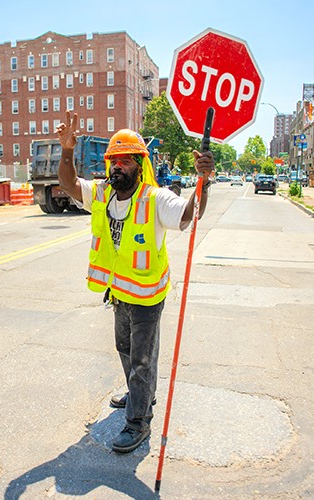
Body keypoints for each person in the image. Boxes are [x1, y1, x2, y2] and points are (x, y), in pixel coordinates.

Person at [55, 111, 214, 453]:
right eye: (114, 160)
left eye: (126, 160)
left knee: (143, 360)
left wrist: (205, 181)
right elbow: (69, 184)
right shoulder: (102, 195)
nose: (118, 166)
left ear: (140, 165)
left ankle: (138, 421)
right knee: (124, 350)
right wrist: (67, 151)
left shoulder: (156, 199)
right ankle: (140, 392)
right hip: (119, 293)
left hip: (147, 296)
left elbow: (189, 213)